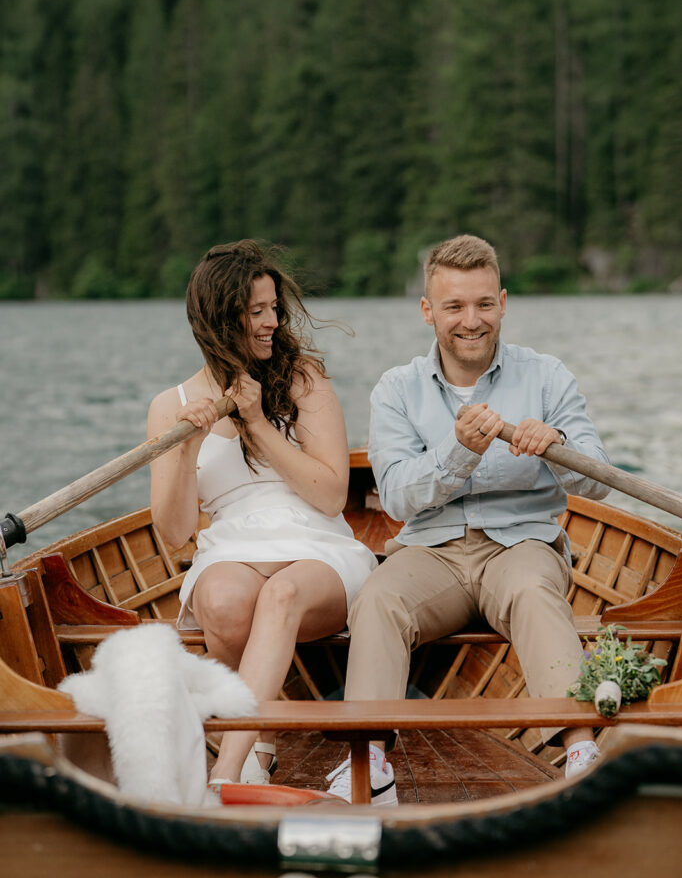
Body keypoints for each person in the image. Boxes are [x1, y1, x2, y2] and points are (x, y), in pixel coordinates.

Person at [326, 234, 608, 805]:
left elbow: (598, 479)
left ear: (502, 302)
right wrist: (458, 455)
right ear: (428, 311)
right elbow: (400, 500)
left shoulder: (547, 376)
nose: (470, 320)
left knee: (533, 589)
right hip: (433, 552)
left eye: (483, 304)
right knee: (378, 598)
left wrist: (558, 445)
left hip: (521, 544)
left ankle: (580, 753)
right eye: (454, 306)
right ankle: (370, 761)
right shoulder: (396, 390)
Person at [147, 240, 376, 792]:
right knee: (223, 602)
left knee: (281, 596)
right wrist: (187, 445)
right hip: (231, 548)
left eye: (274, 307)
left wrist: (255, 422)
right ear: (220, 319)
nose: (273, 321)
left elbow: (329, 495)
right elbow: (176, 534)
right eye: (257, 312)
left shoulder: (304, 380)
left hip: (318, 547)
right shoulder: (169, 406)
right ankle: (267, 730)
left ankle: (231, 764)